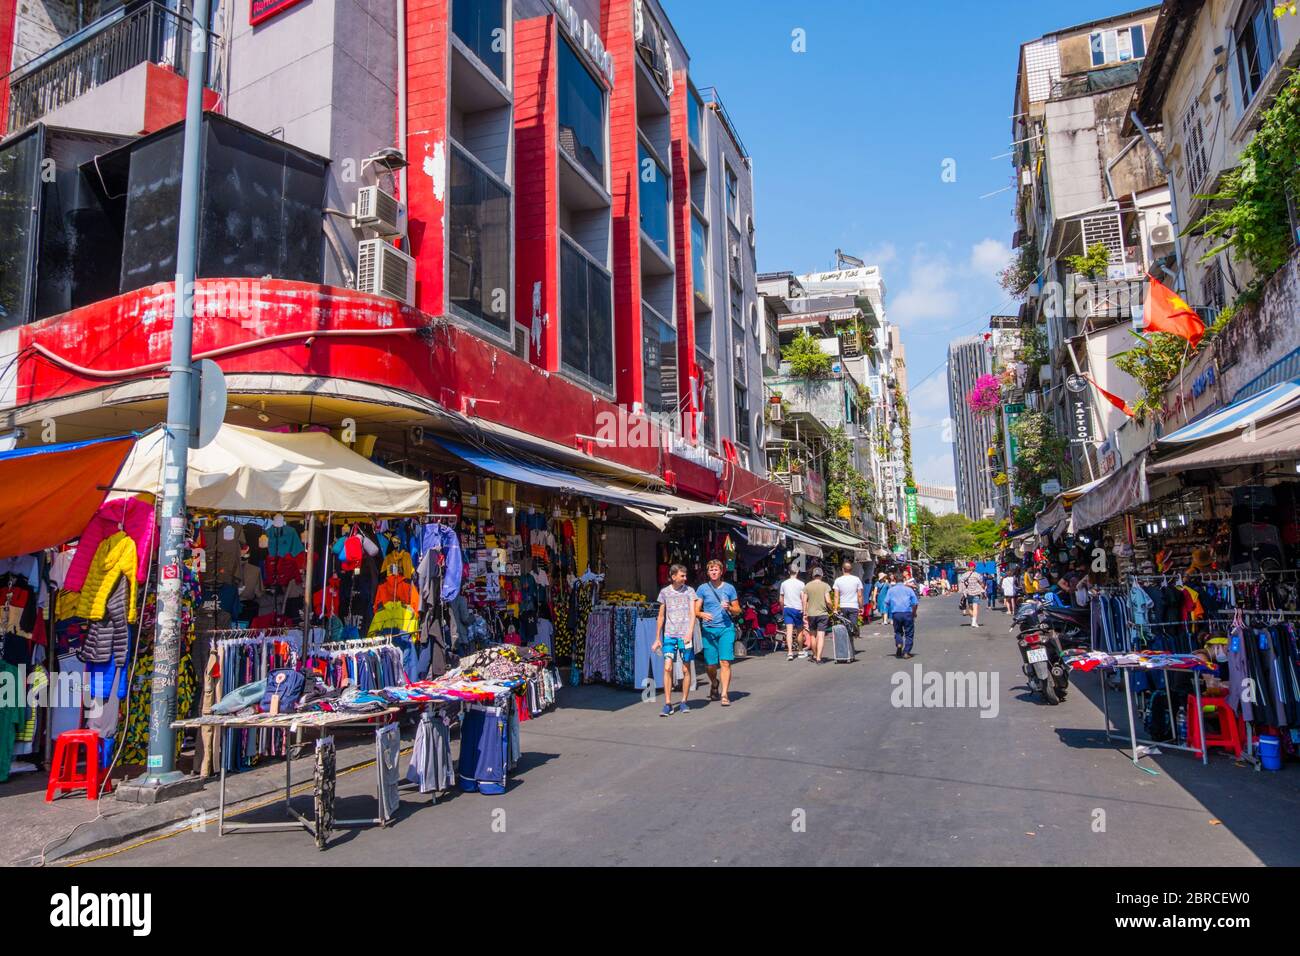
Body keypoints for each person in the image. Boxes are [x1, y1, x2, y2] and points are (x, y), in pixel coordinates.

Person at [652, 564, 698, 716]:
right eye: (682, 575)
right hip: (669, 635)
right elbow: (661, 616)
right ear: (673, 577)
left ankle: (684, 701)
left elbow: (693, 614)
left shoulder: (690, 591)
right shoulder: (664, 592)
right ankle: (668, 703)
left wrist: (689, 633)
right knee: (667, 668)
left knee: (686, 668)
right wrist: (657, 638)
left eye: (685, 575)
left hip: (685, 635)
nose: (685, 578)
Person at [695, 560, 741, 706]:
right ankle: (714, 682)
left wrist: (729, 608)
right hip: (708, 630)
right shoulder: (702, 589)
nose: (714, 572)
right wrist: (702, 614)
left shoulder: (729, 588)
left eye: (716, 570)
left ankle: (724, 694)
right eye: (711, 570)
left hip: (726, 629)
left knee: (725, 662)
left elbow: (738, 609)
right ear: (708, 573)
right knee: (710, 665)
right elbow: (695, 610)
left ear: (721, 572)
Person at [882, 573, 920, 658]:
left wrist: (887, 612)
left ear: (894, 580)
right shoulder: (909, 590)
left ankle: (899, 643)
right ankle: (906, 651)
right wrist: (914, 612)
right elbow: (915, 603)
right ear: (904, 580)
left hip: (896, 614)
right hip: (907, 613)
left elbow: (886, 602)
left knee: (898, 631)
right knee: (909, 633)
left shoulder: (891, 590)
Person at [832, 560, 865, 652]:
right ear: (851, 569)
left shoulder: (838, 580)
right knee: (852, 626)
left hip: (843, 606)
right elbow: (859, 595)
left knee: (845, 627)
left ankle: (848, 647)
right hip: (854, 606)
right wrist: (861, 606)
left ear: (843, 569)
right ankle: (851, 645)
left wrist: (835, 608)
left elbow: (836, 596)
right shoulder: (856, 579)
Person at [803, 566, 833, 663]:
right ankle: (819, 657)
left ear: (813, 575)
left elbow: (804, 600)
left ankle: (815, 655)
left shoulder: (807, 586)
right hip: (822, 614)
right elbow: (828, 601)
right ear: (822, 575)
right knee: (821, 635)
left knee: (812, 635)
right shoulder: (825, 586)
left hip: (811, 614)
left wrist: (804, 612)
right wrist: (832, 609)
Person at [778, 564, 807, 662]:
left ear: (788, 572)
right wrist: (804, 610)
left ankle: (790, 652)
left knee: (789, 631)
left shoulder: (784, 584)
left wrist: (783, 609)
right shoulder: (801, 584)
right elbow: (803, 599)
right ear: (797, 572)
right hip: (798, 609)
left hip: (787, 608)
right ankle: (800, 651)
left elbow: (781, 599)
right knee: (799, 631)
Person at [959, 562, 985, 628]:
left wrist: (962, 592)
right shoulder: (977, 575)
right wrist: (983, 590)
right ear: (974, 567)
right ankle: (974, 622)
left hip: (968, 593)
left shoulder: (964, 575)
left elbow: (961, 582)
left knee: (970, 607)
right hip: (976, 592)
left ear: (968, 567)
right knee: (975, 607)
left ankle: (973, 621)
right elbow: (981, 583)